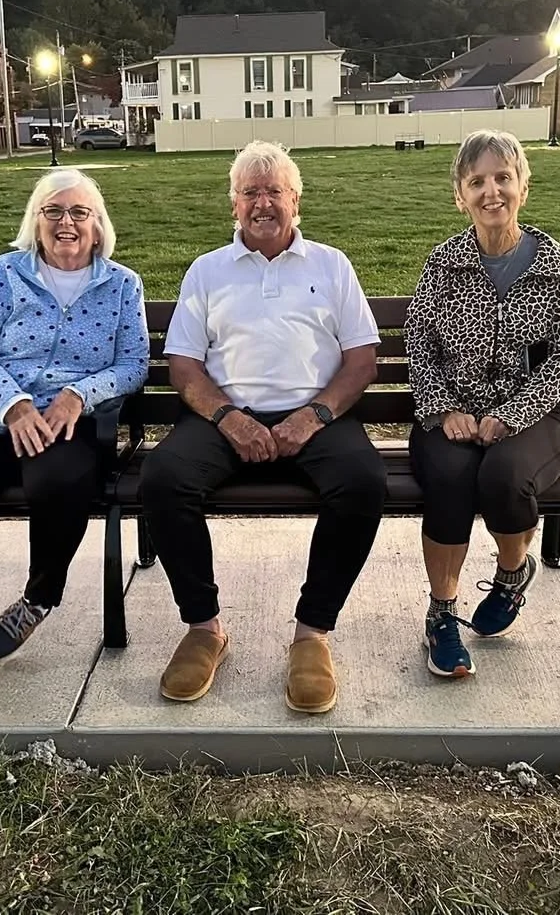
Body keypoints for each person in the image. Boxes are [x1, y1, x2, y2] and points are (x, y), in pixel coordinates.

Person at [139, 141, 385, 715]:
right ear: (233, 204)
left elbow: (362, 360)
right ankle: (205, 629)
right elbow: (184, 365)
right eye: (250, 192)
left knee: (363, 481)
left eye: (274, 191)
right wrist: (228, 417)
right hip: (225, 415)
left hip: (317, 416)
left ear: (296, 200)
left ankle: (311, 635)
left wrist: (315, 415)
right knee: (164, 478)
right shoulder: (207, 271)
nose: (262, 203)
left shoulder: (332, 265)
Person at [0, 168, 150, 731]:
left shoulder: (121, 285)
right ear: (36, 223)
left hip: (65, 421)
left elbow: (133, 363)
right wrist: (12, 406)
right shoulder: (3, 274)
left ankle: (37, 600)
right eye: (54, 212)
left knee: (60, 482)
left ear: (98, 227)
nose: (67, 223)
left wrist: (75, 396)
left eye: (79, 213)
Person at [405, 130, 560, 680]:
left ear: (523, 187)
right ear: (460, 195)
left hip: (536, 415)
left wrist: (510, 415)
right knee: (450, 478)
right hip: (454, 415)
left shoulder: (557, 269)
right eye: (477, 181)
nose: (492, 192)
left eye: (503, 178)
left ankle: (511, 575)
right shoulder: (444, 266)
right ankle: (442, 615)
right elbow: (419, 344)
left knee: (505, 477)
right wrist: (441, 410)